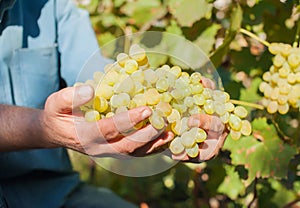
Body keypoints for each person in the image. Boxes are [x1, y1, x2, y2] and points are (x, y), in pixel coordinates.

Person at [0, 0, 227, 207]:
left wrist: (163, 119)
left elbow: (104, 79)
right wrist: (45, 129)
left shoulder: (53, 6)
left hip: (52, 193)